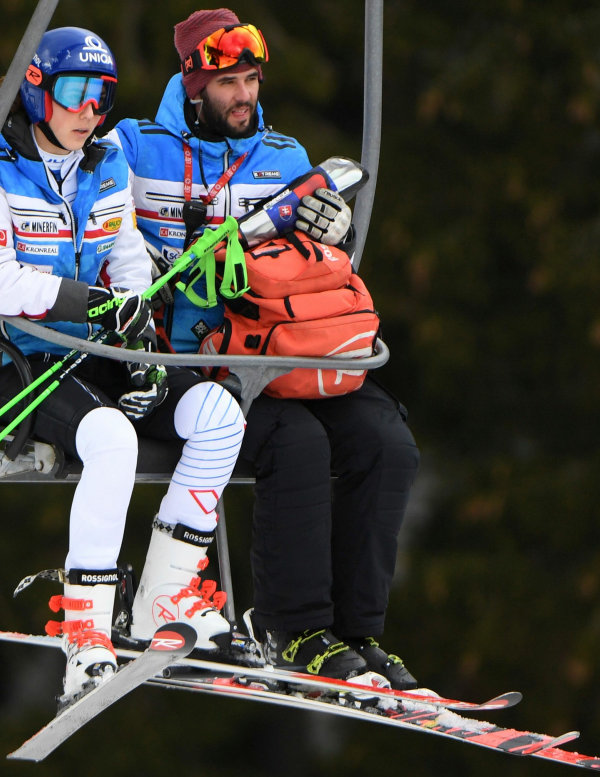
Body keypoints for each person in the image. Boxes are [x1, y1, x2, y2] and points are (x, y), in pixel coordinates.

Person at [108, 9, 421, 688]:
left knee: (386, 443)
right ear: (194, 86)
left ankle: (357, 634)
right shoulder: (135, 147)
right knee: (295, 443)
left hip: (280, 351)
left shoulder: (283, 158)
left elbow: (314, 271)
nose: (244, 96)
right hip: (188, 362)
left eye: (251, 80)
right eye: (229, 83)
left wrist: (332, 233)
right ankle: (291, 627)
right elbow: (88, 211)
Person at [0, 27, 244, 706]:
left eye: (103, 96)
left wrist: (141, 345)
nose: (90, 110)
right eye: (77, 92)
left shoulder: (105, 163)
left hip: (95, 353)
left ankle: (163, 594)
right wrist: (97, 305)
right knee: (111, 438)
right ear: (36, 91)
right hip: (14, 359)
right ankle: (86, 636)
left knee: (219, 416)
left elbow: (128, 257)